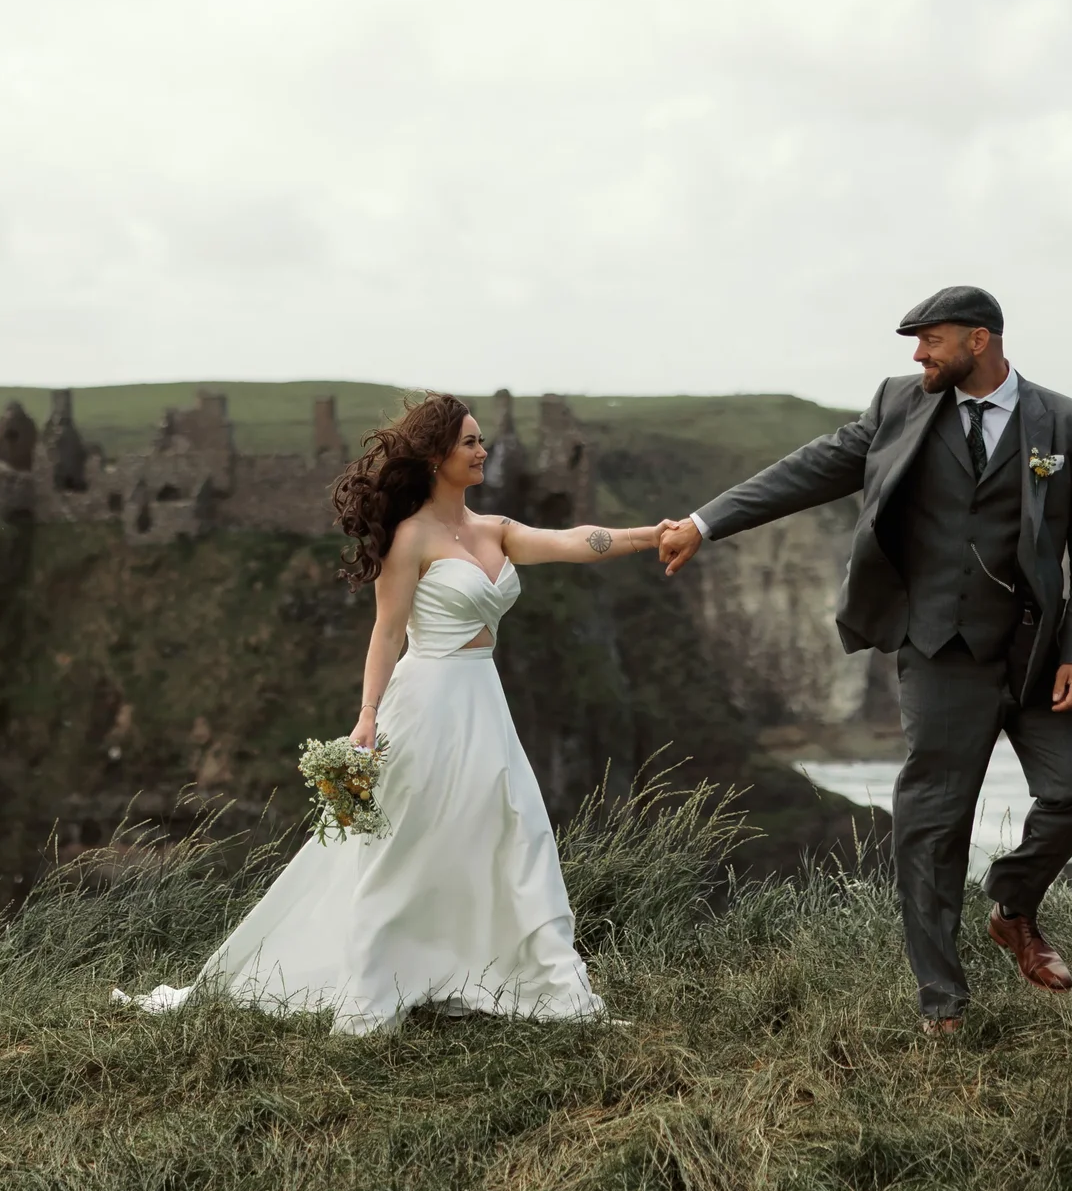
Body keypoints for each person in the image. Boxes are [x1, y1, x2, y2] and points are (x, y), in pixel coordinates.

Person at [116, 392, 672, 1034]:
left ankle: (518, 969)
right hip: (426, 701)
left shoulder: (496, 530)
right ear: (436, 457)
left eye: (480, 439)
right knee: (406, 841)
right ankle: (381, 978)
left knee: (512, 826)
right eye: (469, 441)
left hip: (483, 700)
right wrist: (366, 718)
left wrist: (649, 536)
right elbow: (386, 635)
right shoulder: (410, 538)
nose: (483, 450)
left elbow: (577, 542)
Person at [658, 286, 1072, 1036]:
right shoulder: (897, 405)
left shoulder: (1067, 423)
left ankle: (1010, 905)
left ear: (979, 339)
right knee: (932, 822)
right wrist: (706, 523)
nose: (917, 354)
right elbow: (808, 469)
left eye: (930, 339)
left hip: (1038, 652)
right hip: (938, 651)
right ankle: (944, 1001)